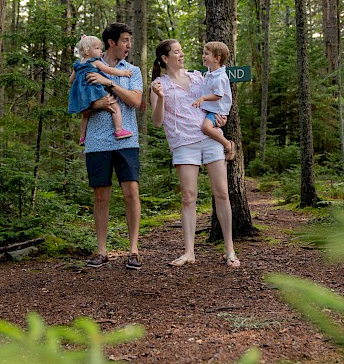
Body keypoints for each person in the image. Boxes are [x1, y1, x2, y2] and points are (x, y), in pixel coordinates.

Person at [150, 39, 240, 268]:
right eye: (177, 52)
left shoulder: (199, 77)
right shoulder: (159, 84)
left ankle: (229, 249)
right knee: (189, 197)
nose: (182, 55)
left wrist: (222, 118)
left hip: (209, 139)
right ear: (165, 58)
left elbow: (217, 101)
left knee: (221, 193)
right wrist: (160, 99)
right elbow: (157, 122)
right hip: (183, 143)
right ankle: (189, 251)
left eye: (181, 51)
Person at [81, 23, 143, 270]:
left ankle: (134, 250)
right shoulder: (86, 68)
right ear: (111, 43)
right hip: (96, 143)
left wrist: (108, 82)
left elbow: (136, 101)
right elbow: (78, 104)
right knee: (100, 196)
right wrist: (96, 105)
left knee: (131, 192)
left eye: (130, 40)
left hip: (126, 141)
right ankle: (101, 250)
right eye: (125, 40)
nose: (129, 45)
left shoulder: (132, 71)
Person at [68, 35, 133, 144]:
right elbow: (110, 71)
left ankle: (82, 137)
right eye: (97, 48)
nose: (100, 51)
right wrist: (124, 73)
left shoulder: (77, 64)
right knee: (115, 106)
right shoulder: (95, 62)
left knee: (85, 115)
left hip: (82, 94)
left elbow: (71, 80)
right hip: (94, 91)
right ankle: (118, 130)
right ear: (88, 51)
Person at [192, 41, 236, 161]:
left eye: (206, 54)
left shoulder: (220, 77)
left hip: (217, 111)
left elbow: (218, 95)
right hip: (210, 109)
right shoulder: (209, 73)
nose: (203, 56)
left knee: (206, 128)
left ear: (217, 59)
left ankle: (227, 144)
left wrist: (203, 98)